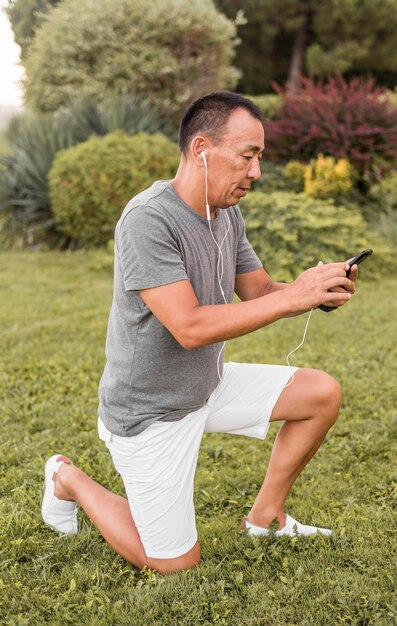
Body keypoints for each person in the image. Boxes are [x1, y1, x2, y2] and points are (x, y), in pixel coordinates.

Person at [41, 92, 358, 574]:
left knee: (320, 394)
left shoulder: (225, 212)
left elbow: (261, 291)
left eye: (259, 158)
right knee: (174, 564)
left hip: (204, 387)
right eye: (247, 156)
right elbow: (188, 327)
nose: (256, 172)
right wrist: (291, 297)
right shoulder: (148, 218)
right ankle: (69, 479)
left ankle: (266, 517)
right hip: (150, 411)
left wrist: (314, 290)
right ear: (201, 148)